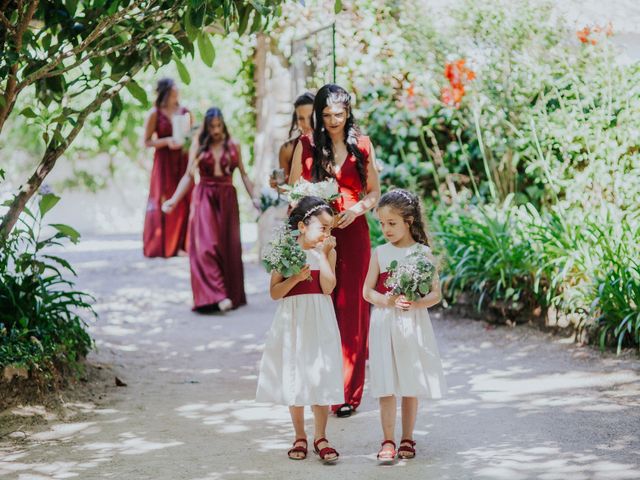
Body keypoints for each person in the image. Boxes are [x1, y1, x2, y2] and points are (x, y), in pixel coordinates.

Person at [289, 84, 381, 417]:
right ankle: (320, 385)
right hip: (318, 235)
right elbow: (295, 192)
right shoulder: (307, 145)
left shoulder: (364, 146)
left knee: (353, 309)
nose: (333, 122)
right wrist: (313, 209)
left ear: (348, 112)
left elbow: (374, 192)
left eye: (339, 115)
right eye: (326, 116)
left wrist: (356, 210)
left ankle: (348, 393)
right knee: (320, 304)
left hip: (354, 234)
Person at [256, 196, 343, 463]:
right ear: (303, 226)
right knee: (295, 373)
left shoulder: (328, 251)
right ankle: (299, 435)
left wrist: (323, 256)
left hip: (320, 317)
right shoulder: (286, 250)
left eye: (330, 229)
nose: (326, 234)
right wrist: (295, 277)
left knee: (320, 374)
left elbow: (328, 288)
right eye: (322, 227)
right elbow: (274, 292)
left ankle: (321, 436)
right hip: (293, 318)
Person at [362, 189, 446, 463]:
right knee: (386, 382)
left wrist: (417, 304)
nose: (385, 229)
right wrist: (386, 300)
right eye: (382, 223)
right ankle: (387, 439)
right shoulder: (380, 252)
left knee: (410, 382)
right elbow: (366, 292)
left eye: (392, 223)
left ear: (409, 221)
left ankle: (407, 437)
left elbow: (436, 293)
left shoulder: (422, 253)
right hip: (385, 322)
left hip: (412, 324)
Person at [162, 108, 255, 312]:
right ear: (206, 126)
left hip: (227, 197)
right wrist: (174, 200)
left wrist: (255, 198)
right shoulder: (199, 145)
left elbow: (244, 175)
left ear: (223, 124)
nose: (215, 130)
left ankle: (228, 294)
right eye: (211, 126)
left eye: (218, 126)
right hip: (204, 195)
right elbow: (188, 176)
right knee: (205, 246)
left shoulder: (234, 145)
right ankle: (217, 295)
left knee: (227, 247)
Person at [142, 78, 193, 258]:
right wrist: (166, 142)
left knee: (185, 199)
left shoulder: (186, 112)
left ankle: (182, 245)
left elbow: (193, 137)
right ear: (165, 93)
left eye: (177, 92)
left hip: (183, 159)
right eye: (172, 92)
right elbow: (146, 142)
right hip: (164, 161)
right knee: (164, 198)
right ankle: (164, 245)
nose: (176, 95)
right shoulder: (154, 113)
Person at [270, 92, 315, 189]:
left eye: (310, 117)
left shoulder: (331, 144)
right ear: (296, 120)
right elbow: (285, 189)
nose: (306, 124)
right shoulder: (287, 149)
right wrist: (277, 185)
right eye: (301, 118)